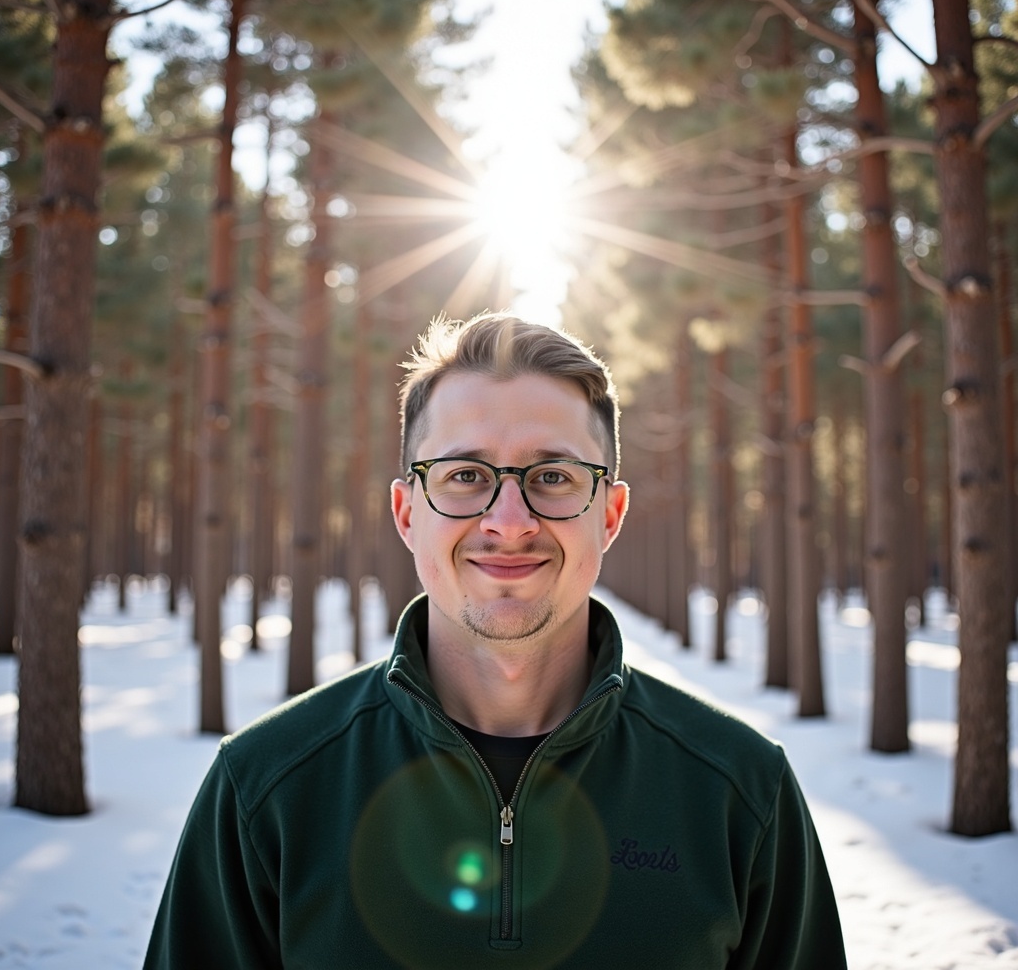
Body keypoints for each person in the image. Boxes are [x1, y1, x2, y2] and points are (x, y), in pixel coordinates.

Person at [144, 312, 847, 969]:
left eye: (553, 476)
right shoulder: (267, 788)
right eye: (464, 476)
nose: (508, 521)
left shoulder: (739, 791)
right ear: (406, 511)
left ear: (610, 513)